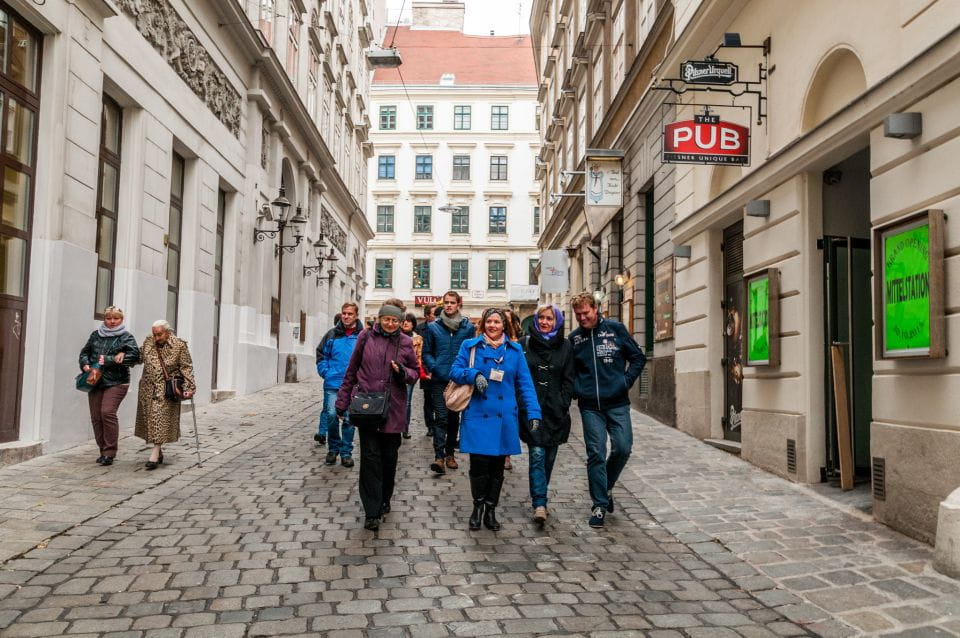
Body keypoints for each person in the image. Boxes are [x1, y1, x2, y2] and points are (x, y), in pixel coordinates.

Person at [449, 308, 541, 531]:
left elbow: (525, 384)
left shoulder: (515, 351)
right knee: (478, 465)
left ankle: (491, 508)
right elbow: (454, 371)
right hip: (478, 414)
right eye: (488, 321)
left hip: (504, 416)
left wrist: (534, 412)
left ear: (504, 326)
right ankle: (477, 506)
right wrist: (474, 375)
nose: (492, 325)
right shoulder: (470, 346)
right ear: (483, 324)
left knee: (497, 468)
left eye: (497, 322)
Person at [335, 301, 419, 531]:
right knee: (370, 459)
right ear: (379, 319)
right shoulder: (365, 337)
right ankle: (371, 510)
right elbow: (352, 370)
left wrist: (402, 372)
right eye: (386, 319)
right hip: (367, 408)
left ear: (401, 323)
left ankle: (384, 498)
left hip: (393, 409)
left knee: (389, 459)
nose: (390, 323)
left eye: (395, 320)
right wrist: (342, 401)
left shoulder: (405, 342)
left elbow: (414, 374)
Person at [568, 292, 646, 528]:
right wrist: (578, 390)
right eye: (578, 314)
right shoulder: (575, 339)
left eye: (586, 313)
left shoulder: (615, 329)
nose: (582, 318)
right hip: (590, 406)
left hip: (618, 403)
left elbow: (638, 358)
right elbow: (570, 373)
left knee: (623, 447)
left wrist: (625, 382)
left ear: (596, 309)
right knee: (595, 453)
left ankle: (607, 485)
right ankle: (599, 504)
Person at [519, 304, 575, 524]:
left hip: (555, 411)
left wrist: (563, 402)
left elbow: (569, 378)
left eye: (549, 319)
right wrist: (523, 403)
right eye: (541, 317)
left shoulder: (566, 346)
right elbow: (519, 376)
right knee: (537, 455)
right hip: (532, 410)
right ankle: (539, 503)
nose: (544, 322)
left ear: (557, 322)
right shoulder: (524, 344)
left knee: (549, 458)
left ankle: (541, 492)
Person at [78, 306, 141, 466]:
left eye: (116, 318)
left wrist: (112, 358)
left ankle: (110, 452)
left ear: (121, 319)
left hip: (117, 381)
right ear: (104, 319)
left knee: (107, 412)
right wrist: (85, 365)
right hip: (95, 380)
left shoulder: (126, 337)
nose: (112, 321)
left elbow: (135, 357)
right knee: (96, 417)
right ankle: (102, 450)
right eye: (108, 318)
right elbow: (84, 353)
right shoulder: (95, 335)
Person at [422, 291, 475, 475]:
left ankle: (450, 453)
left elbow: (471, 353)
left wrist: (467, 373)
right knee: (441, 417)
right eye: (446, 302)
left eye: (452, 302)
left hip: (458, 381)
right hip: (439, 380)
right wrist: (434, 367)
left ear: (459, 304)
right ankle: (439, 457)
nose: (449, 305)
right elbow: (426, 352)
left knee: (453, 419)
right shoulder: (433, 327)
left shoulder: (467, 328)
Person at [135, 320, 196, 470]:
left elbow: (186, 367)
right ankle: (159, 451)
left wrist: (189, 387)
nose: (156, 338)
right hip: (147, 389)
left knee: (158, 417)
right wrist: (125, 352)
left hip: (166, 389)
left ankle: (154, 454)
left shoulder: (179, 345)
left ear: (168, 332)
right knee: (151, 420)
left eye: (159, 334)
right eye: (154, 334)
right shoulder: (149, 342)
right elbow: (139, 357)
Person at [315, 303, 361, 467]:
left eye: (350, 314)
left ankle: (346, 452)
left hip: (354, 385)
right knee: (332, 415)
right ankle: (333, 448)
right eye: (344, 313)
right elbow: (321, 354)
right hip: (333, 383)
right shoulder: (331, 335)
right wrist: (326, 372)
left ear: (356, 315)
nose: (346, 316)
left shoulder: (362, 336)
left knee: (349, 419)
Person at [501, 309, 525, 471]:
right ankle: (501, 454)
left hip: (517, 387)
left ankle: (507, 453)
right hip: (501, 385)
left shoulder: (522, 342)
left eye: (508, 320)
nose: (505, 323)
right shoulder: (496, 340)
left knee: (512, 422)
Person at [414, 304, 436, 437]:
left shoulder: (442, 327)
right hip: (425, 369)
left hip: (438, 368)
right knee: (428, 399)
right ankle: (430, 425)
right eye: (434, 313)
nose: (436, 316)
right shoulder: (420, 329)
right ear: (427, 316)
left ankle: (439, 424)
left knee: (440, 399)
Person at [401, 313, 421, 440]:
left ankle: (405, 428)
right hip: (396, 371)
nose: (405, 323)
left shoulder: (417, 339)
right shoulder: (397, 336)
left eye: (408, 321)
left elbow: (419, 356)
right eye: (404, 321)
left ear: (413, 323)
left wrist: (415, 372)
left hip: (410, 373)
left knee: (406, 402)